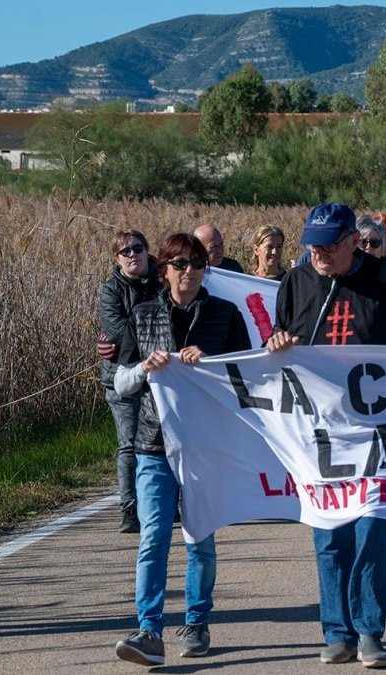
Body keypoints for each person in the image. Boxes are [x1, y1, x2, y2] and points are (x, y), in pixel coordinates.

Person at [267, 203, 386, 669]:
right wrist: (275, 343)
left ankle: (369, 630)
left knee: (373, 525)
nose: (318, 254)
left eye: (328, 245)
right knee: (329, 532)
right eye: (312, 245)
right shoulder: (295, 282)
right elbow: (277, 339)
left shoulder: (384, 277)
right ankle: (336, 632)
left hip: (379, 428)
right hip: (321, 430)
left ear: (352, 241)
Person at [112, 233, 252, 666]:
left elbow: (247, 378)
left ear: (204, 269)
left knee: (199, 539)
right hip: (153, 443)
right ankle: (148, 629)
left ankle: (196, 620)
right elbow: (119, 382)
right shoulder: (142, 314)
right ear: (164, 270)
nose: (187, 271)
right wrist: (143, 367)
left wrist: (210, 361)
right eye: (178, 264)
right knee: (153, 536)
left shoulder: (225, 315)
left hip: (203, 445)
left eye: (195, 263)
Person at [98, 229, 161, 534]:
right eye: (125, 251)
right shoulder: (110, 291)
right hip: (121, 377)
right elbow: (118, 330)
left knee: (164, 440)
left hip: (163, 376)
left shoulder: (164, 282)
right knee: (129, 444)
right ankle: (130, 509)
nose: (133, 254)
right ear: (117, 258)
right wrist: (157, 334)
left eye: (138, 248)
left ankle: (166, 502)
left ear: (148, 251)